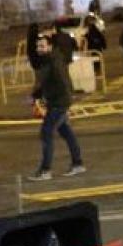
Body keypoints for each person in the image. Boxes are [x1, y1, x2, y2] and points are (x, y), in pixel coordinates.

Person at [27, 35, 85, 181]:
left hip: (58, 103)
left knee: (46, 133)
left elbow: (58, 81)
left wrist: (65, 101)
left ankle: (45, 170)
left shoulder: (52, 61)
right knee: (66, 132)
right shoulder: (52, 59)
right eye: (38, 46)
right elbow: (48, 82)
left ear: (50, 47)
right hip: (58, 101)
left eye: (42, 46)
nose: (39, 49)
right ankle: (77, 164)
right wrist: (37, 96)